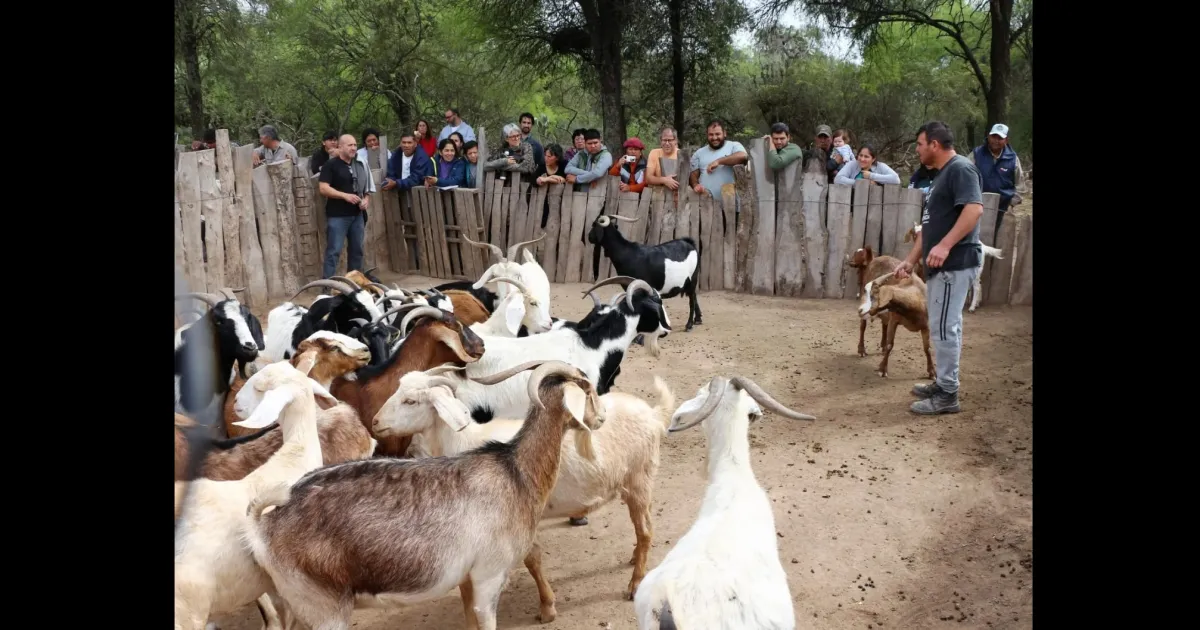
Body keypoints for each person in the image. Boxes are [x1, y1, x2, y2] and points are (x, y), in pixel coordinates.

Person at [895, 121, 985, 416]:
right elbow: (928, 227)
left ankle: (948, 394)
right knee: (941, 325)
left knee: (945, 327)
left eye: (920, 144)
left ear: (934, 144)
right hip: (941, 266)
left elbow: (974, 209)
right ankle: (944, 383)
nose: (917, 150)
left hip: (954, 263)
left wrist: (946, 245)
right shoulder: (940, 176)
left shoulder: (961, 169)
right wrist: (910, 260)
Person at [317, 134, 372, 279]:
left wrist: (366, 200)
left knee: (357, 251)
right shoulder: (331, 165)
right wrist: (345, 196)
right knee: (334, 251)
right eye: (350, 145)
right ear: (340, 147)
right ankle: (327, 286)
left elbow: (366, 188)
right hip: (338, 216)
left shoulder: (359, 164)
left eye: (355, 145)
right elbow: (323, 188)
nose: (353, 148)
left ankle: (354, 284)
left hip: (357, 215)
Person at [966, 123, 1025, 233]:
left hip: (1003, 209)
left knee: (1000, 239)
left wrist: (1012, 204)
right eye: (993, 137)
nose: (996, 141)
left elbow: (1020, 185)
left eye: (1000, 138)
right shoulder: (976, 154)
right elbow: (964, 174)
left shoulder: (1013, 159)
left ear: (1006, 140)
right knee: (976, 237)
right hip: (977, 205)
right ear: (988, 136)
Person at [689, 119, 748, 199]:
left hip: (731, 203)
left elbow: (743, 156)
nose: (714, 137)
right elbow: (693, 175)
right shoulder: (698, 153)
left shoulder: (734, 146)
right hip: (707, 203)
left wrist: (718, 161)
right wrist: (695, 185)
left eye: (717, 134)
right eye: (711, 134)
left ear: (724, 133)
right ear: (707, 135)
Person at [834, 144, 902, 186]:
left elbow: (896, 179)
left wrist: (871, 175)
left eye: (866, 157)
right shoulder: (852, 164)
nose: (862, 159)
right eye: (860, 155)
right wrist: (861, 184)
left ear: (873, 159)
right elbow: (838, 179)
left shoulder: (880, 166)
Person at [644, 126, 682, 191]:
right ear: (661, 141)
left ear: (675, 141)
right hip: (657, 193)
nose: (667, 143)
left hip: (677, 193)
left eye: (670, 140)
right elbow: (648, 178)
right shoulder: (654, 153)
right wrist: (664, 180)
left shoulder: (682, 155)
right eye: (664, 140)